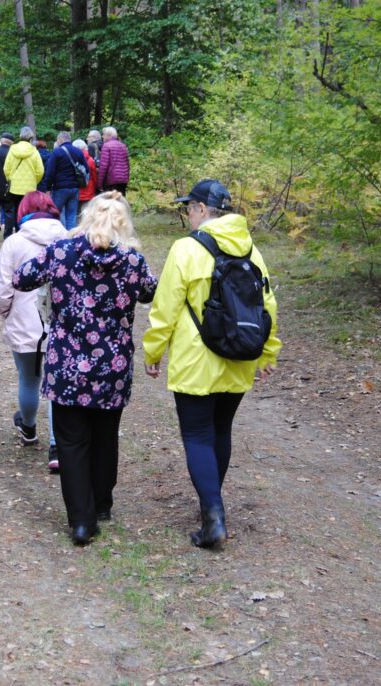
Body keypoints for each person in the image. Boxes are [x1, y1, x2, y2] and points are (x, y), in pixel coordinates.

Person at [13, 192, 158, 545]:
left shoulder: (61, 252)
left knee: (72, 441)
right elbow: (150, 292)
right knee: (105, 435)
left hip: (67, 366)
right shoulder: (132, 260)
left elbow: (21, 278)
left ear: (87, 218)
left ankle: (81, 520)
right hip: (113, 364)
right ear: (123, 225)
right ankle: (102, 503)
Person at [142, 179, 281, 549]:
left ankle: (213, 516)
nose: (188, 215)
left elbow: (166, 307)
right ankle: (212, 505)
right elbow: (266, 307)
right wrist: (267, 352)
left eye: (190, 208)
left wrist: (153, 352)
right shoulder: (251, 250)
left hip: (195, 361)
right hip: (238, 357)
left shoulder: (186, 248)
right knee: (221, 432)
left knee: (197, 435)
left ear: (203, 210)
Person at [0, 192, 67, 472]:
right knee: (57, 388)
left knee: (29, 379)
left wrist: (6, 313)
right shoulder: (68, 238)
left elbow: (3, 286)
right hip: (63, 323)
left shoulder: (14, 243)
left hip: (25, 322)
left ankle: (29, 428)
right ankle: (57, 446)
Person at [3, 126, 45, 238]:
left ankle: (13, 234)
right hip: (29, 187)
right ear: (31, 137)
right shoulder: (34, 151)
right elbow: (40, 170)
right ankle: (25, 233)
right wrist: (35, 180)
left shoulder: (12, 149)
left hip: (14, 187)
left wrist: (10, 179)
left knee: (15, 210)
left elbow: (6, 168)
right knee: (28, 212)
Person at [41, 131, 85, 229]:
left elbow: (50, 172)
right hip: (74, 188)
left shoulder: (57, 152)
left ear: (60, 139)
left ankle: (61, 237)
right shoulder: (78, 151)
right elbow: (85, 169)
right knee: (72, 215)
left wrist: (47, 188)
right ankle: (70, 240)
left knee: (57, 214)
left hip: (59, 188)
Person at [97, 126, 130, 195]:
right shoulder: (123, 145)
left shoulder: (106, 146)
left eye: (103, 134)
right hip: (123, 181)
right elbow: (127, 164)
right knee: (120, 202)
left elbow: (103, 166)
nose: (102, 137)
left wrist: (99, 184)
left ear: (108, 135)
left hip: (111, 181)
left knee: (110, 203)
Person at [72, 139, 98, 216]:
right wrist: (96, 187)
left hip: (75, 191)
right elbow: (94, 176)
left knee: (74, 216)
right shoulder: (90, 160)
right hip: (88, 190)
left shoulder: (71, 160)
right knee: (86, 215)